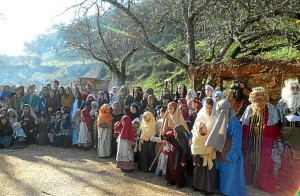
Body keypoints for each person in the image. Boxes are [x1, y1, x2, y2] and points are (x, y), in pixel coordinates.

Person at [241, 87, 282, 193]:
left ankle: (261, 181)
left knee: (263, 160)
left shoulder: (271, 109)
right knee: (251, 158)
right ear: (254, 97)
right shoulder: (249, 108)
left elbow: (274, 127)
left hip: (265, 140)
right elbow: (244, 125)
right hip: (251, 139)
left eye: (261, 95)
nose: (259, 97)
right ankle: (250, 179)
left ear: (265, 96)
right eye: (257, 95)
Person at [206, 99, 247, 196]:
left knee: (232, 179)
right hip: (224, 154)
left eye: (220, 111)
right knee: (225, 177)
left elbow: (237, 143)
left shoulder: (235, 124)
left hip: (232, 156)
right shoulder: (226, 121)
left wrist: (230, 156)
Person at [276, 78, 300, 194]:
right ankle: (283, 183)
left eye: (297, 88)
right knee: (283, 160)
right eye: (292, 88)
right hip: (284, 135)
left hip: (298, 136)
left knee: (297, 161)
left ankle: (296, 185)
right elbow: (276, 121)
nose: (295, 90)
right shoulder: (281, 103)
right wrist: (278, 138)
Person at [190, 97, 217, 193]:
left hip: (210, 146)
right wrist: (192, 140)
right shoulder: (200, 116)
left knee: (209, 169)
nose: (208, 110)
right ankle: (197, 185)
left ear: (213, 108)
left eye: (210, 108)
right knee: (199, 168)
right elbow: (194, 130)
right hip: (199, 145)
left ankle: (208, 188)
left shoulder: (216, 118)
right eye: (207, 107)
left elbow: (219, 133)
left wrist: (216, 145)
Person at [162, 124, 190, 188]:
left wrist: (183, 161)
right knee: (170, 169)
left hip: (178, 158)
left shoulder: (183, 140)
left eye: (175, 132)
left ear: (179, 132)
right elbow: (168, 138)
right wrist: (164, 135)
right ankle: (171, 181)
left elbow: (184, 151)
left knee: (178, 171)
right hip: (171, 156)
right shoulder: (174, 137)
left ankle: (179, 183)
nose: (174, 133)